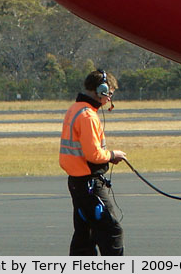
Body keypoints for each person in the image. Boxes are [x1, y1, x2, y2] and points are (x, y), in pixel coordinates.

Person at [59, 69, 127, 255]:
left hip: (76, 182)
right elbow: (93, 155)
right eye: (109, 94)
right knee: (111, 231)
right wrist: (113, 155)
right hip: (89, 184)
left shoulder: (74, 109)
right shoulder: (88, 116)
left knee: (85, 235)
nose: (109, 100)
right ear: (102, 90)